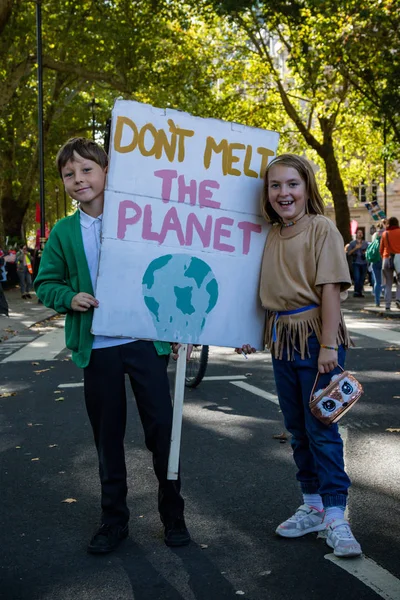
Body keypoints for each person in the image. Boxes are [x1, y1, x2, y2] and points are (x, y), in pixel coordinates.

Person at [34, 137, 190, 554]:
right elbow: (45, 282)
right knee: (108, 437)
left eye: (87, 169)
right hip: (98, 346)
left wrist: (175, 323)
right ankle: (113, 520)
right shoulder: (65, 232)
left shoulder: (140, 218)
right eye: (69, 174)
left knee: (162, 431)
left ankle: (174, 516)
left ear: (106, 172)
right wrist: (69, 297)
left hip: (145, 343)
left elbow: (169, 272)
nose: (78, 179)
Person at [237, 154, 361, 558]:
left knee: (322, 427)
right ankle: (313, 505)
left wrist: (328, 344)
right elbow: (265, 296)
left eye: (292, 184)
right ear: (267, 193)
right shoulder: (271, 235)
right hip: (283, 340)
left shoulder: (322, 228)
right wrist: (250, 336)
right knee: (296, 427)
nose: (283, 192)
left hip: (316, 339)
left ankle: (337, 517)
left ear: (307, 187)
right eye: (275, 186)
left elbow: (330, 291)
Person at [380, 216, 400, 311]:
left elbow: (381, 249)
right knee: (399, 282)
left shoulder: (385, 234)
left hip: (386, 259)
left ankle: (387, 305)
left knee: (388, 283)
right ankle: (398, 299)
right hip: (398, 259)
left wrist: (384, 257)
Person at [346, 229, 368, 297]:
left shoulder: (365, 243)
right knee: (357, 278)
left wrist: (365, 253)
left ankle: (360, 292)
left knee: (362, 278)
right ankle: (356, 292)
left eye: (361, 233)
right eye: (358, 233)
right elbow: (349, 253)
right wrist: (356, 248)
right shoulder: (352, 243)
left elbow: (368, 253)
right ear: (356, 234)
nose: (360, 234)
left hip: (364, 262)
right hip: (356, 263)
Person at [369, 222, 385, 307]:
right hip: (383, 259)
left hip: (375, 260)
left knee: (377, 282)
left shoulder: (374, 235)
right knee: (385, 282)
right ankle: (387, 301)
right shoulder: (385, 234)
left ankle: (377, 301)